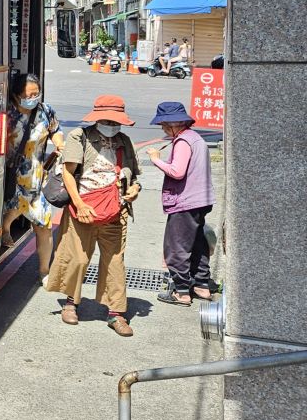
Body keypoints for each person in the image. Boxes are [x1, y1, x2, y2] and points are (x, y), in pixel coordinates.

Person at [46, 95, 142, 337]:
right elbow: (68, 174)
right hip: (83, 208)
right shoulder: (80, 136)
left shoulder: (124, 141)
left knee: (115, 262)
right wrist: (79, 205)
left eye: (116, 120)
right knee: (77, 257)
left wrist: (133, 191)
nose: (112, 124)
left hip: (115, 210)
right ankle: (71, 303)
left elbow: (135, 177)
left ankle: (116, 314)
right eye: (108, 119)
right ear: (98, 117)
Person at [148, 102, 216, 305]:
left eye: (163, 125)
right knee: (198, 243)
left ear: (171, 124)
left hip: (185, 201)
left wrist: (156, 159)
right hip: (201, 199)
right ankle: (202, 285)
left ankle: (181, 291)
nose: (163, 129)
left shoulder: (183, 141)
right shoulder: (195, 138)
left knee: (177, 245)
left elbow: (177, 172)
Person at [0, 73, 63, 282]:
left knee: (43, 225)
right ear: (17, 96)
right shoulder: (6, 113)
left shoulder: (45, 111)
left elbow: (55, 129)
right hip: (10, 174)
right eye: (29, 95)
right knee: (13, 208)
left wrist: (60, 144)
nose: (34, 98)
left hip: (36, 175)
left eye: (37, 93)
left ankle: (44, 270)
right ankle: (6, 226)